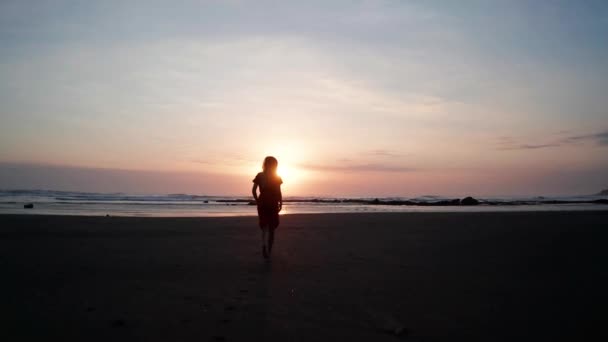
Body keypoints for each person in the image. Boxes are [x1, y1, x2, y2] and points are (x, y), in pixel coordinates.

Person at [252, 156, 283, 259]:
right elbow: (279, 192)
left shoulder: (260, 175)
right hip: (273, 202)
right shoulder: (276, 177)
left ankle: (264, 244)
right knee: (272, 228)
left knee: (264, 227)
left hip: (263, 201)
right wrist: (281, 203)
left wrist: (257, 201)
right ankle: (269, 252)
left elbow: (253, 190)